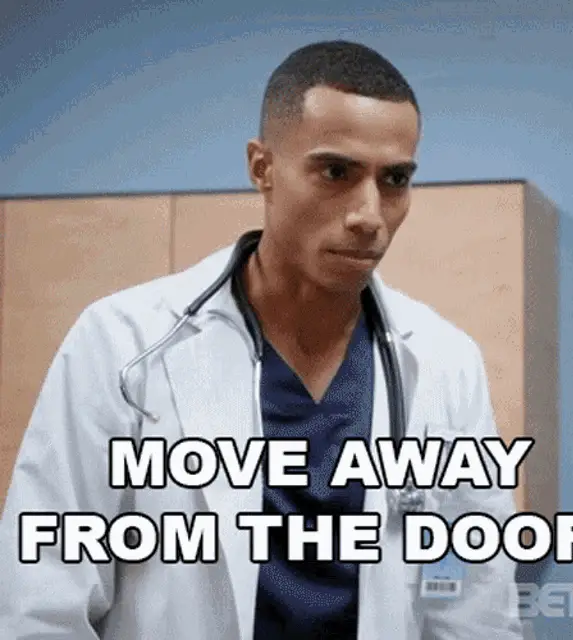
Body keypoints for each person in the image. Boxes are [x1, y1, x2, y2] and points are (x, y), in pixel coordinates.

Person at [0, 40, 524, 639]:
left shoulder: (444, 363)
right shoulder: (123, 346)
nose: (369, 214)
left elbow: (476, 610)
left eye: (395, 179)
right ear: (262, 167)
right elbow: (41, 603)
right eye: (336, 172)